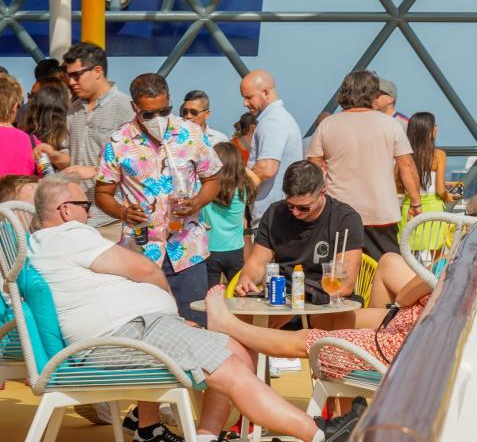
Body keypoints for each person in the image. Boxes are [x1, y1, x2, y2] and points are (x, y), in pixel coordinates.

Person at [28, 173, 365, 442]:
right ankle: (320, 434)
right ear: (65, 210)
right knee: (230, 369)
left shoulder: (46, 245)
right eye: (85, 205)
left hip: (134, 330)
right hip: (131, 333)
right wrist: (167, 308)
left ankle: (207, 435)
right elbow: (145, 269)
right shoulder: (68, 235)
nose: (89, 212)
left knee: (237, 349)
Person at [95, 73, 222, 327]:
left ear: (170, 102)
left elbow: (214, 179)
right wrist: (123, 212)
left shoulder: (192, 134)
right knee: (145, 329)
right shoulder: (118, 143)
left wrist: (196, 203)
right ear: (134, 107)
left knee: (195, 326)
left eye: (164, 111)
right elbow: (102, 193)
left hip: (187, 251)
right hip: (140, 255)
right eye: (149, 114)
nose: (157, 120)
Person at [208, 251, 431, 380]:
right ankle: (344, 404)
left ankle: (228, 325)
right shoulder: (464, 269)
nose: (296, 212)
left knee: (308, 339)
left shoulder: (456, 268)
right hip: (415, 325)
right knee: (332, 320)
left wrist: (433, 276)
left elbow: (403, 298)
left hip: (402, 342)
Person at [307, 70, 423, 260]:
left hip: (338, 213)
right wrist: (416, 203)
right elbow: (407, 166)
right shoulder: (390, 124)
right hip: (381, 212)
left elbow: (313, 171)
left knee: (339, 271)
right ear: (373, 94)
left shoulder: (327, 125)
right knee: (387, 270)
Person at [235, 161, 364, 327]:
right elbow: (256, 263)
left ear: (322, 192)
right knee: (231, 322)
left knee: (327, 320)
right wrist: (246, 280)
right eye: (290, 206)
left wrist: (295, 309)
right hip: (281, 299)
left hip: (322, 304)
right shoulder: (275, 213)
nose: (295, 212)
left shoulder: (344, 219)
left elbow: (344, 286)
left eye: (303, 208)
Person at [55, 42, 134, 241]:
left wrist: (92, 171)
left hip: (112, 220)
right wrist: (53, 155)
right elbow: (70, 156)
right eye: (67, 75)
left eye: (76, 75)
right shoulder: (74, 110)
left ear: (97, 71)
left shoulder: (125, 108)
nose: (71, 82)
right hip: (78, 218)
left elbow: (136, 164)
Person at [240, 69, 303, 221]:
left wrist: (238, 193)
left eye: (249, 97)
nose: (245, 103)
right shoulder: (278, 119)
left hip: (273, 216)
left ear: (266, 93)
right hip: (278, 212)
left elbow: (266, 169)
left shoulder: (272, 122)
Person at [201, 142, 257, 289]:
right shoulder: (244, 189)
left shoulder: (206, 189)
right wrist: (238, 166)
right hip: (235, 250)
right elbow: (256, 178)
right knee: (237, 294)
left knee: (210, 296)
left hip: (210, 249)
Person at [397, 112, 451, 229]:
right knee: (435, 245)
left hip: (409, 207)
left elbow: (398, 186)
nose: (436, 128)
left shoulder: (403, 155)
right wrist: (448, 197)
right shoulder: (439, 155)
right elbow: (440, 190)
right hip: (433, 209)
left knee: (408, 245)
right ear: (428, 130)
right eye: (434, 125)